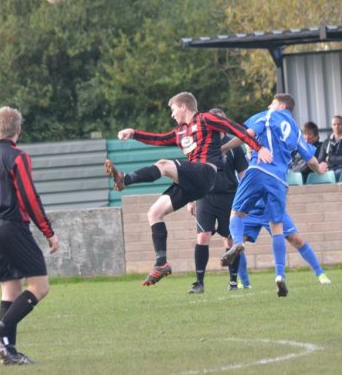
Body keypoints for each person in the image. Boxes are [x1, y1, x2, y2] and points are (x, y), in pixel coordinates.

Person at [104, 91, 272, 286]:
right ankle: (161, 263)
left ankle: (125, 179)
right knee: (154, 213)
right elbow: (158, 139)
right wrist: (133, 133)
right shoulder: (180, 132)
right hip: (196, 185)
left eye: (173, 110)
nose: (172, 115)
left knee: (164, 164)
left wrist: (259, 148)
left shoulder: (206, 119)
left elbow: (237, 129)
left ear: (183, 107)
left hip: (207, 172)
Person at [0, 106, 60, 366]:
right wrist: (49, 232)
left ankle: (8, 351)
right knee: (40, 286)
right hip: (11, 224)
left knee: (10, 289)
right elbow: (28, 196)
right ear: (18, 130)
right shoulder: (17, 156)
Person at [221, 94, 327, 297]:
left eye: (271, 103)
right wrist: (321, 170)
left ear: (280, 105)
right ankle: (279, 275)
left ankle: (238, 243)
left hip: (259, 171)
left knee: (236, 215)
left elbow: (247, 134)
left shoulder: (268, 116)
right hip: (280, 181)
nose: (269, 105)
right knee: (276, 228)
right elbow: (312, 161)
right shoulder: (296, 130)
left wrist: (224, 148)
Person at [186, 108, 249, 294]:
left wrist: (245, 198)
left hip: (229, 197)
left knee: (229, 240)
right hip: (205, 196)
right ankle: (199, 282)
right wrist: (190, 198)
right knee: (203, 236)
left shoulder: (233, 145)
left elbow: (244, 174)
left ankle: (233, 282)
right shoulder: (200, 144)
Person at [234, 198, 331, 287]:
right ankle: (244, 282)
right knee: (237, 243)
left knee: (296, 239)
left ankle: (320, 273)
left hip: (273, 209)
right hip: (250, 212)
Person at [317, 115, 342, 181]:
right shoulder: (326, 142)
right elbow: (320, 160)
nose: (337, 127)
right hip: (329, 169)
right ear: (332, 126)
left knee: (334, 175)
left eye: (339, 124)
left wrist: (331, 158)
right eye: (334, 124)